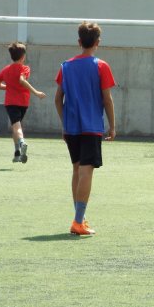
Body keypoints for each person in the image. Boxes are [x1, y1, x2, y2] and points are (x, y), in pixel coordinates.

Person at [54, 22, 116, 236]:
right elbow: (107, 99)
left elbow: (58, 98)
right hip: (91, 127)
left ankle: (78, 218)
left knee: (77, 169)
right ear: (98, 42)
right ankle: (78, 221)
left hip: (72, 127)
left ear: (79, 42)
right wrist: (112, 126)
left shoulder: (66, 66)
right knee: (86, 171)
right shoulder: (101, 66)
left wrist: (65, 123)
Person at [0, 42, 46, 163]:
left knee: (16, 127)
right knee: (16, 126)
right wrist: (36, 92)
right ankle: (17, 153)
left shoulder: (6, 69)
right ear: (23, 56)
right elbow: (21, 80)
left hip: (11, 102)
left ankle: (21, 143)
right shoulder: (25, 68)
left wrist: (9, 87)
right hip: (23, 103)